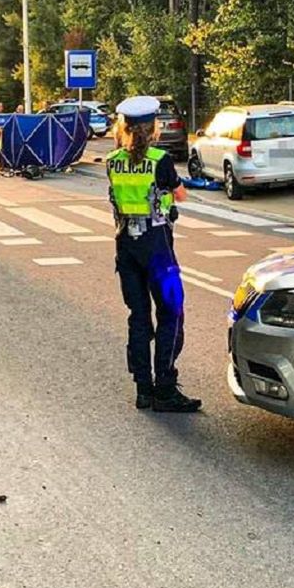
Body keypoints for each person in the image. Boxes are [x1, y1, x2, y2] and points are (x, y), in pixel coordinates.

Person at [107, 96, 201, 413]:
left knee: (138, 319)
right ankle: (165, 386)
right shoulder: (160, 160)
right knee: (172, 313)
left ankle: (143, 390)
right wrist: (177, 189)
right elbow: (180, 195)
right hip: (158, 249)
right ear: (153, 127)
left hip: (126, 249)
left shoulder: (112, 161)